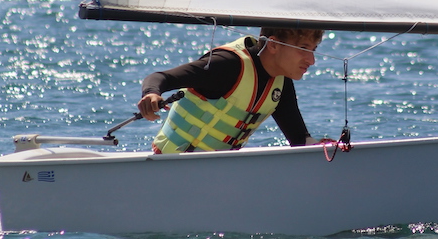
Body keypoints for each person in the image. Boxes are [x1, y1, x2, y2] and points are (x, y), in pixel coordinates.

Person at [138, 27, 323, 153]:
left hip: (220, 172)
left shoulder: (281, 83)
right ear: (273, 44)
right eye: (303, 48)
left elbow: (300, 141)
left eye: (314, 50)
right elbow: (161, 78)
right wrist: (151, 94)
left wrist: (329, 148)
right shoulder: (227, 65)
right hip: (170, 165)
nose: (311, 60)